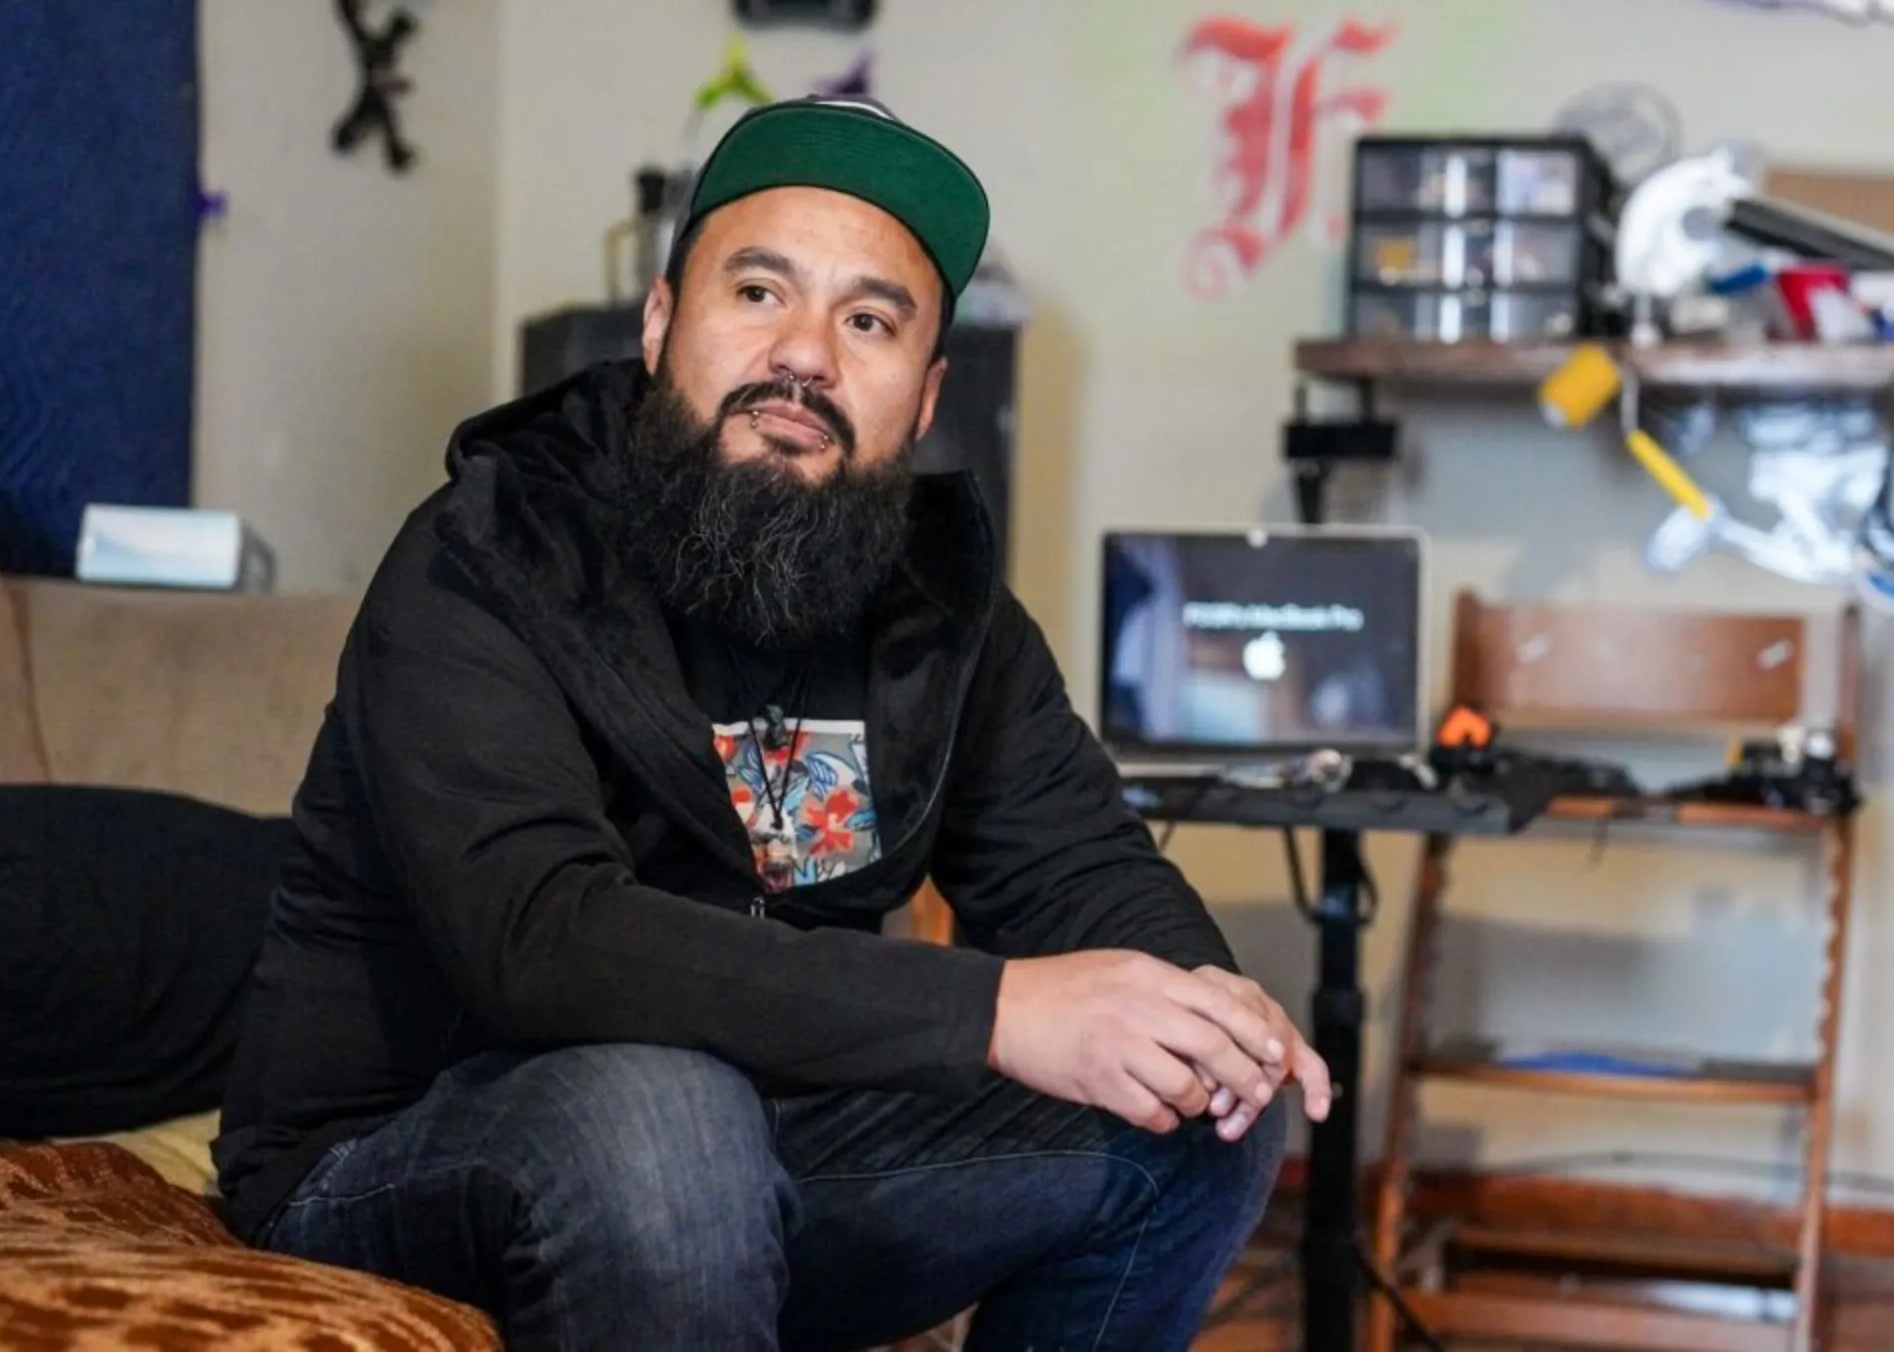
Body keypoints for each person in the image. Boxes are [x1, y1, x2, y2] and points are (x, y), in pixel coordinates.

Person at [210, 94, 1332, 1352]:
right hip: (401, 1148)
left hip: (760, 1145)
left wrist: (1209, 1005)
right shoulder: (484, 558)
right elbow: (541, 937)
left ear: (924, 396)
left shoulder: (937, 612)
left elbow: (1077, 859)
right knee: (660, 1112)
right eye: (758, 293)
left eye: (868, 320)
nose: (806, 354)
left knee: (1199, 1115)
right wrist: (997, 1008)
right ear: (659, 323)